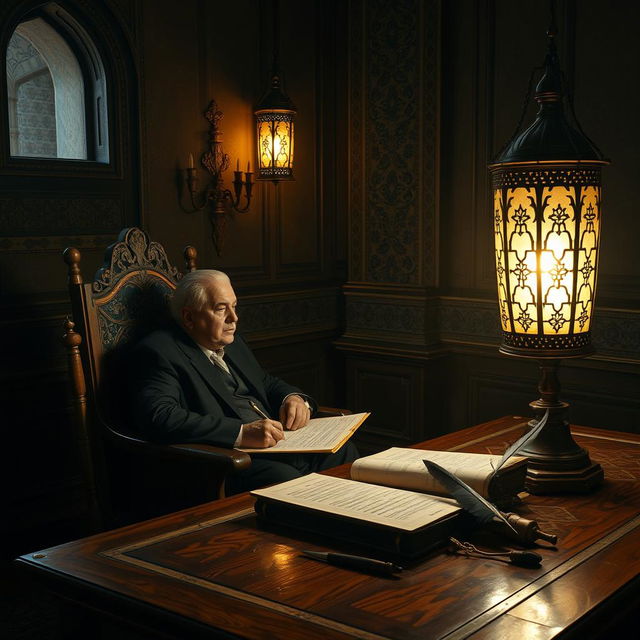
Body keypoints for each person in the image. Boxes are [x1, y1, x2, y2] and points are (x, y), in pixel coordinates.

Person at [128, 269, 357, 494]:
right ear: (189, 317)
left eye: (234, 306)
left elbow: (265, 382)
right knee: (285, 480)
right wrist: (240, 433)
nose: (234, 318)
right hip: (229, 460)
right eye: (221, 309)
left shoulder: (232, 342)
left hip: (282, 444)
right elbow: (160, 416)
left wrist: (293, 398)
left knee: (344, 452)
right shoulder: (160, 351)